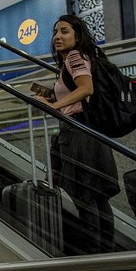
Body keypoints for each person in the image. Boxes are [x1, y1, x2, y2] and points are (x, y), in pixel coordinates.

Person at [34, 15, 119, 255]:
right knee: (98, 197)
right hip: (93, 132)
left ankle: (95, 254)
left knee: (85, 197)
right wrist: (55, 97)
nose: (58, 37)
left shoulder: (74, 57)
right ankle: (107, 253)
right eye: (55, 32)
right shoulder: (83, 58)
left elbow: (86, 89)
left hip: (79, 133)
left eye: (65, 32)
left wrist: (54, 106)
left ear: (78, 36)